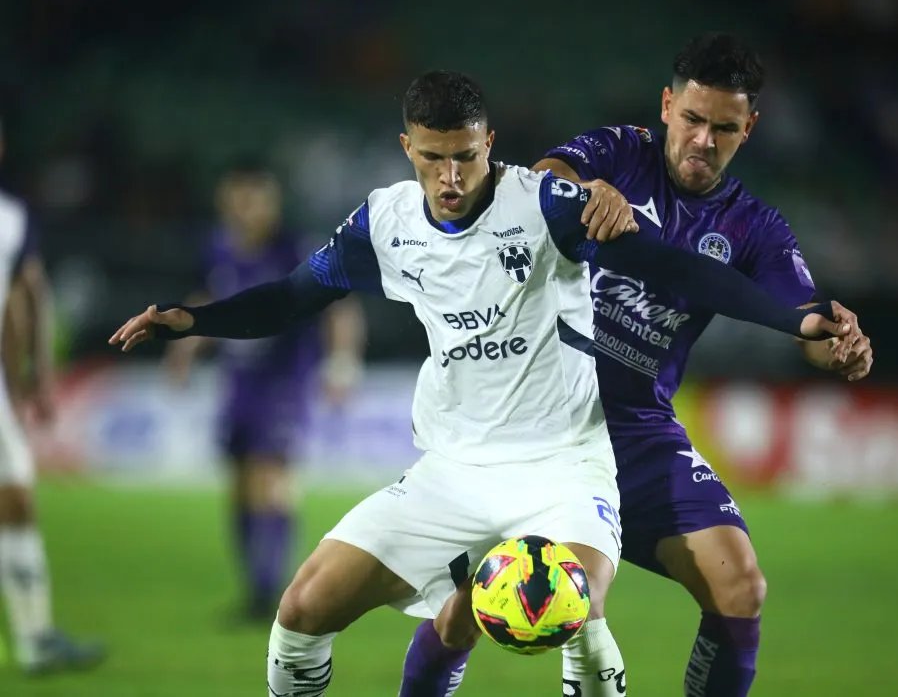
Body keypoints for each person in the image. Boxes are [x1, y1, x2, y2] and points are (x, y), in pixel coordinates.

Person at [109, 70, 854, 697]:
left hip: (563, 463)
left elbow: (675, 268)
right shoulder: (384, 223)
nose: (452, 177)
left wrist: (796, 322)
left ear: (489, 143)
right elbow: (292, 297)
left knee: (577, 607)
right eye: (433, 159)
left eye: (466, 156)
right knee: (301, 610)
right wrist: (188, 319)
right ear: (408, 148)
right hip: (453, 471)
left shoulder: (544, 206)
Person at [400, 32, 875, 697]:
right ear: (666, 107)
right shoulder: (621, 152)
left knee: (739, 585)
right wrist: (589, 191)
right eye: (693, 119)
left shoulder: (756, 229)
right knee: (467, 611)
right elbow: (541, 182)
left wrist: (839, 342)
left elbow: (803, 319)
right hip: (532, 415)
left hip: (638, 427)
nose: (704, 140)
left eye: (725, 128)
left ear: (750, 128)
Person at [164, 159, 366, 622]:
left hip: (285, 379)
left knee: (270, 480)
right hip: (239, 381)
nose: (246, 207)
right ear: (225, 198)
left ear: (271, 201)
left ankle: (271, 590)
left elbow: (340, 306)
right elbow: (209, 301)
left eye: (255, 197)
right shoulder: (217, 247)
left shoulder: (294, 246)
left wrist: (342, 363)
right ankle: (254, 590)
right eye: (238, 196)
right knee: (239, 484)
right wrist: (184, 350)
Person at [0, 117, 106, 675]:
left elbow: (22, 299)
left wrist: (31, 380)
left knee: (16, 501)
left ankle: (35, 639)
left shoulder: (11, 220)